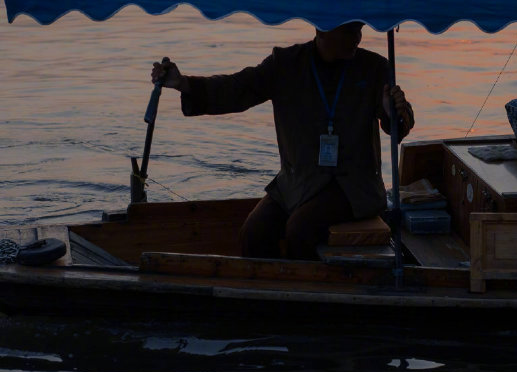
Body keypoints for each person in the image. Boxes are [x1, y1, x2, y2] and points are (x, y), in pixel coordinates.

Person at [151, 22, 414, 260]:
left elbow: (397, 123)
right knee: (253, 233)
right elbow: (239, 87)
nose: (357, 37)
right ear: (321, 30)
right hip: (296, 181)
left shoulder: (374, 68)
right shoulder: (285, 64)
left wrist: (394, 113)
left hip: (353, 187)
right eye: (349, 31)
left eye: (360, 29)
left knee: (300, 229)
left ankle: (305, 297)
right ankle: (264, 298)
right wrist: (183, 84)